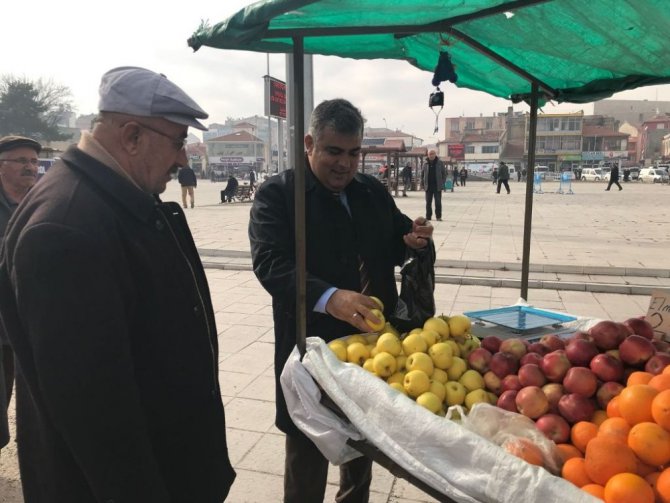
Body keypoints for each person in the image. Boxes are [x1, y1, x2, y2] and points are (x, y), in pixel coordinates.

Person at [0, 66, 235, 501]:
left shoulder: (107, 197)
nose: (183, 159)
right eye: (179, 141)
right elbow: (96, 416)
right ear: (131, 136)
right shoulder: (67, 225)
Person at [248, 98, 433, 503]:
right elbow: (270, 264)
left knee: (362, 447)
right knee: (307, 455)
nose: (345, 164)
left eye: (353, 153)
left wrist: (413, 237)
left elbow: (393, 238)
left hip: (373, 346)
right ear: (310, 144)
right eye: (334, 151)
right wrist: (330, 298)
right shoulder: (279, 195)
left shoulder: (370, 191)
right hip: (311, 348)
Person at [0, 135, 41, 454]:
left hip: (32, 324)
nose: (30, 167)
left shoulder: (43, 202)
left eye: (33, 161)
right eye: (21, 161)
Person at [422, 149, 447, 221]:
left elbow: (444, 174)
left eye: (433, 154)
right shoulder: (425, 163)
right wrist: (423, 184)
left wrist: (442, 183)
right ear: (428, 155)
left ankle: (438, 217)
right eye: (430, 154)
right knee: (428, 203)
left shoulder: (440, 163)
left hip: (437, 186)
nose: (431, 155)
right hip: (428, 187)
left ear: (435, 154)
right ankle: (428, 217)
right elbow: (422, 174)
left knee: (438, 202)